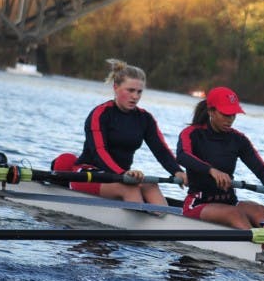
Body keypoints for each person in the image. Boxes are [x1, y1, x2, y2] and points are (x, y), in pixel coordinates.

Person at [57, 59, 186, 204]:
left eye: (139, 92)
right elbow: (99, 152)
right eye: (130, 90)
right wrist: (121, 173)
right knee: (129, 189)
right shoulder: (100, 114)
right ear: (115, 87)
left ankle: (164, 223)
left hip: (120, 177)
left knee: (150, 185)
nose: (135, 96)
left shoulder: (145, 118)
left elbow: (161, 150)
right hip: (88, 173)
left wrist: (177, 171)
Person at [176, 86, 264, 228]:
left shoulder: (238, 139)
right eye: (226, 114)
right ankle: (253, 244)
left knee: (259, 209)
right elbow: (183, 156)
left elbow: (258, 165)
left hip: (229, 202)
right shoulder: (192, 133)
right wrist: (211, 170)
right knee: (233, 213)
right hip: (198, 202)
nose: (230, 119)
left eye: (233, 115)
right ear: (211, 111)